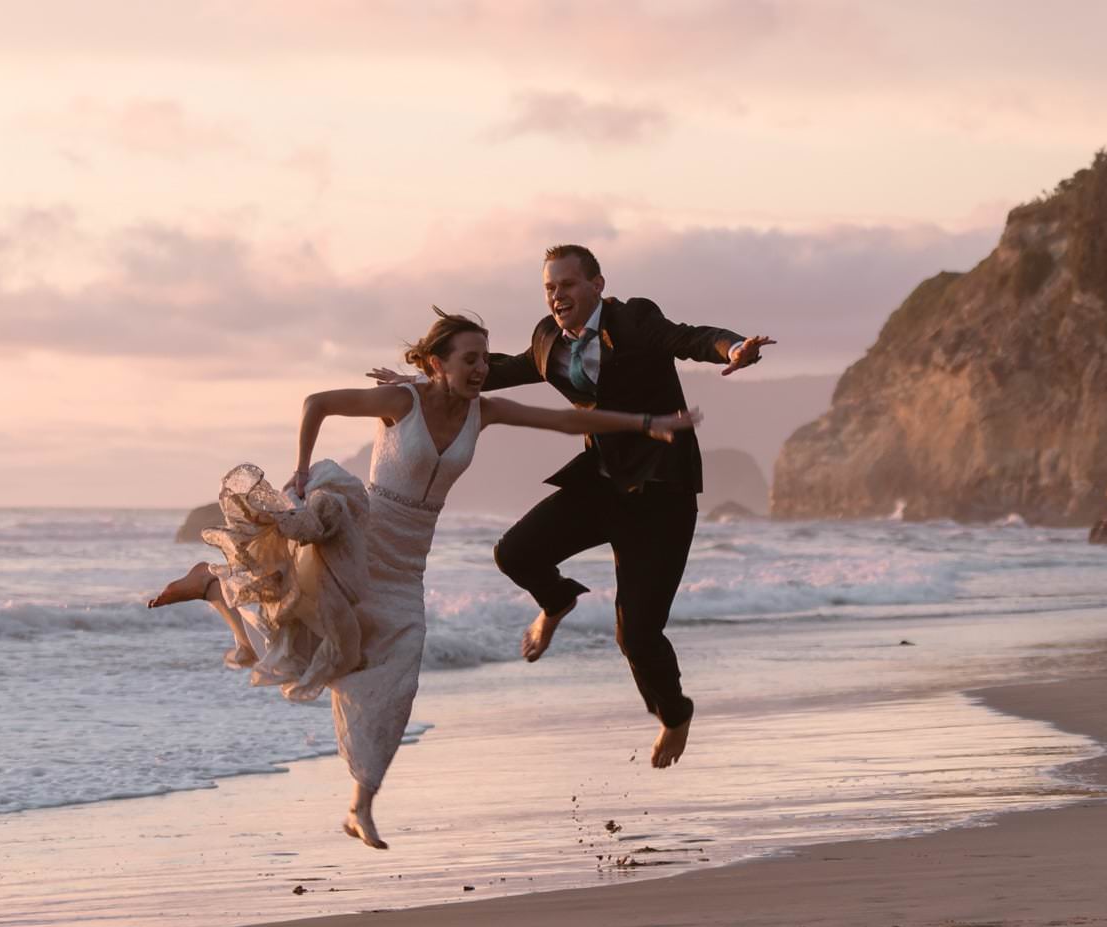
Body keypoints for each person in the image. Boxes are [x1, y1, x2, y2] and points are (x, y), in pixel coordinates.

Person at [148, 308, 699, 849]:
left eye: (485, 358)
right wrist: (300, 467)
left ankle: (359, 806)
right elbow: (317, 403)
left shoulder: (482, 412)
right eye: (470, 358)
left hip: (408, 566)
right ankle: (212, 584)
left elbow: (563, 420)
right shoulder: (401, 400)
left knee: (398, 676)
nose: (482, 368)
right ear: (438, 363)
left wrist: (646, 424)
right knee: (302, 634)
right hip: (359, 538)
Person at [469, 244, 774, 770]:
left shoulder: (633, 320)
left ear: (597, 285)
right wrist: (426, 380)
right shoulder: (547, 339)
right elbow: (502, 369)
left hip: (662, 495)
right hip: (601, 485)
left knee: (636, 634)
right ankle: (557, 602)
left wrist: (731, 349)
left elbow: (689, 338)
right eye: (549, 287)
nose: (557, 296)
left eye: (567, 284)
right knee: (514, 552)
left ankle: (675, 716)